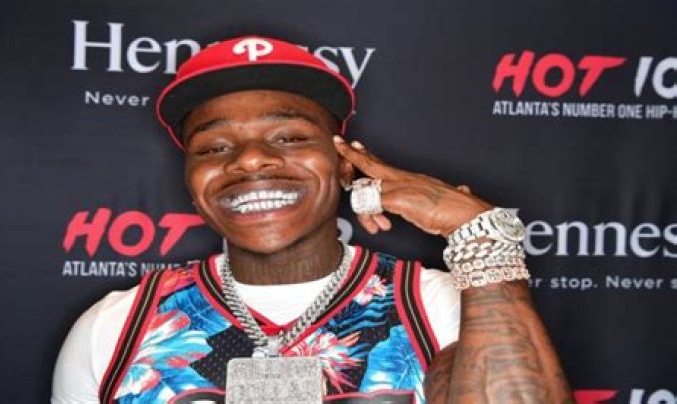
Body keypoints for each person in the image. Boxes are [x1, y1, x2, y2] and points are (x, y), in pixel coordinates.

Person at [52, 36, 572, 403]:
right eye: (213, 147)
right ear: (191, 180)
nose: (250, 161)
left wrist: (484, 240)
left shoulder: (435, 305)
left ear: (345, 163)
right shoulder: (114, 326)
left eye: (290, 137)